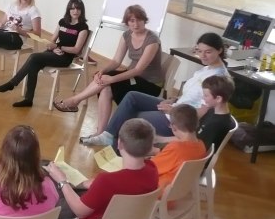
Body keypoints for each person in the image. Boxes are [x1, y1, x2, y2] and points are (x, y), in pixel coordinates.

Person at [81, 32, 229, 147]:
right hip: (177, 107)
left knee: (134, 116)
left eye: (208, 52)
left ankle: (119, 148)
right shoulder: (207, 69)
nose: (202, 55)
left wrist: (173, 111)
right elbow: (193, 97)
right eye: (199, 51)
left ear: (220, 50)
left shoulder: (217, 78)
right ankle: (108, 137)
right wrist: (175, 100)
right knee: (132, 96)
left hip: (181, 119)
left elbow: (202, 113)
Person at [54, 5, 163, 128]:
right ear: (127, 22)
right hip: (134, 77)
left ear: (145, 20)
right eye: (132, 21)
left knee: (109, 81)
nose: (136, 24)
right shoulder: (127, 35)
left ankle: (75, 101)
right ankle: (101, 131)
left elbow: (138, 70)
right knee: (105, 85)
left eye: (139, 20)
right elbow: (116, 61)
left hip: (150, 84)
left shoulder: (152, 40)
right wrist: (102, 71)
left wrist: (111, 79)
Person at [47, 118, 159, 219]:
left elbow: (80, 212)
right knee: (70, 188)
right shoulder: (152, 169)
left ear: (119, 143)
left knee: (49, 197)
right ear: (150, 148)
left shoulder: (107, 181)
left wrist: (62, 181)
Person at [0, 0, 90, 107]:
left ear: (82, 11)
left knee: (34, 57)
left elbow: (76, 49)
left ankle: (13, 83)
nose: (75, 11)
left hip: (65, 58)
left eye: (78, 9)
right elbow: (53, 40)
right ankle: (28, 99)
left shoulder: (83, 27)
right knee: (34, 64)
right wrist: (54, 47)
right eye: (72, 8)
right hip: (54, 52)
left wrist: (59, 47)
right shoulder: (63, 22)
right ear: (68, 9)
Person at [157, 75, 236, 152]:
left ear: (218, 98)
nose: (203, 98)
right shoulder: (212, 111)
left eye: (206, 95)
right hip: (189, 148)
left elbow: (195, 147)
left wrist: (160, 144)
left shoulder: (217, 124)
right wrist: (161, 139)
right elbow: (192, 137)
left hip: (190, 157)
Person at [151, 104, 207, 196]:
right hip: (181, 193)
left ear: (173, 127)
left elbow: (152, 169)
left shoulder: (176, 148)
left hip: (162, 195)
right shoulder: (201, 145)